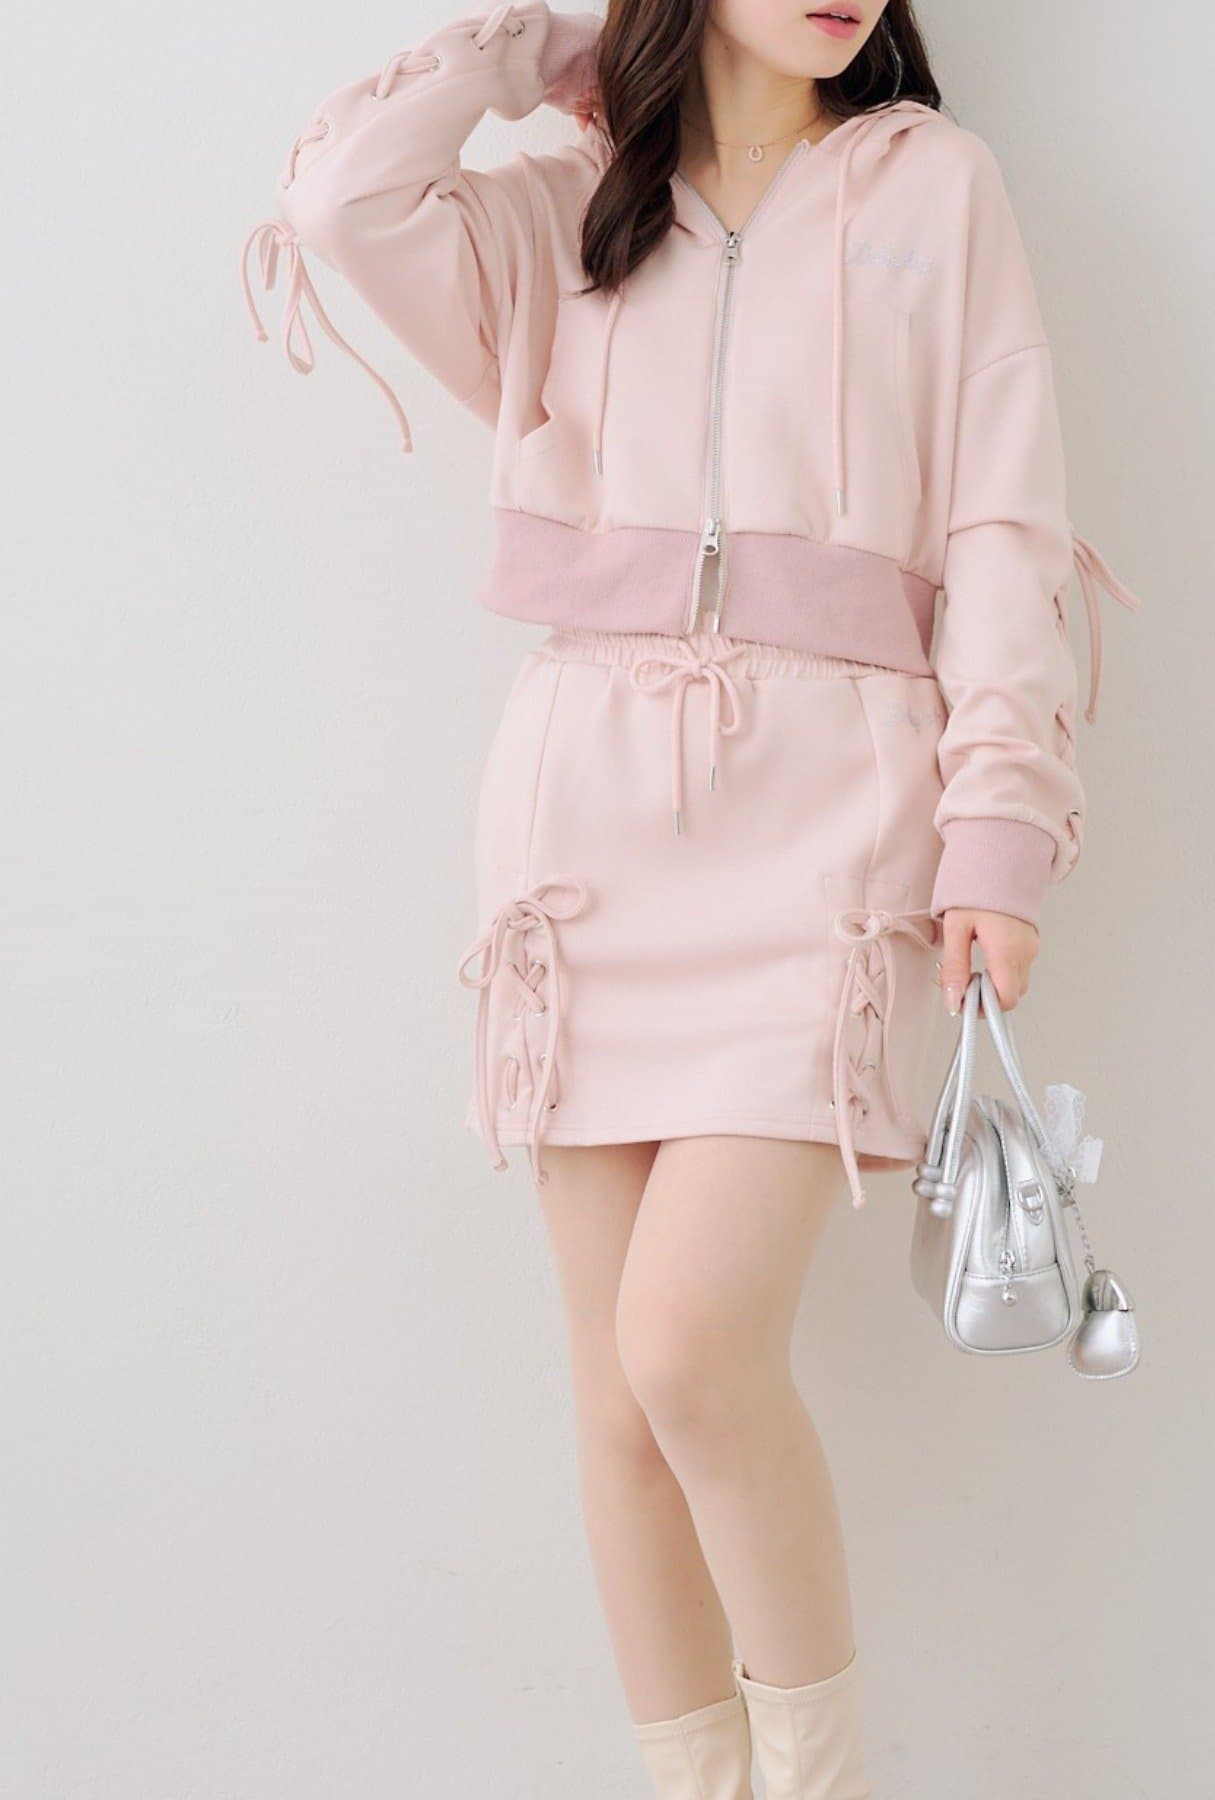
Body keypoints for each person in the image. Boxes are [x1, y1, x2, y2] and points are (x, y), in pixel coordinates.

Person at [240, 0, 1138, 1790]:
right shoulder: (573, 199)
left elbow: (1003, 526)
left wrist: (998, 828)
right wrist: (542, 47)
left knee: (689, 1352)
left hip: (834, 829)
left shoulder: (932, 188)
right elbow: (341, 198)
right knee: (620, 1405)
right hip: (585, 834)